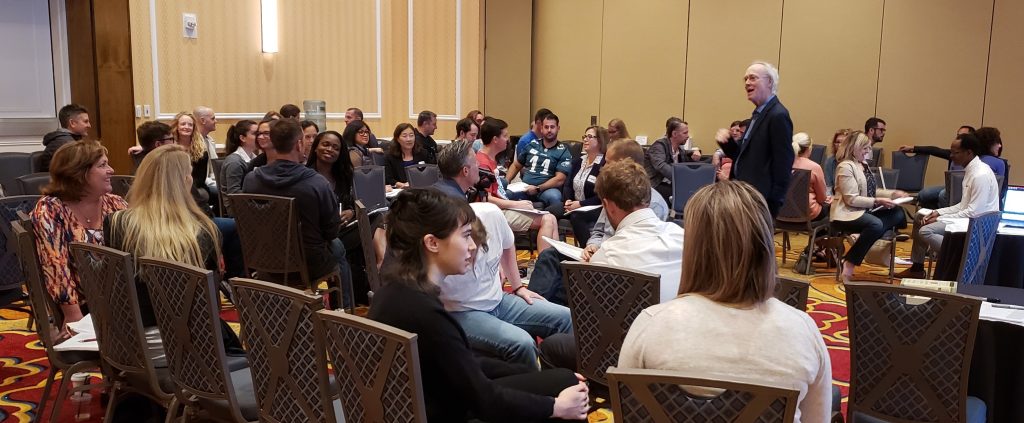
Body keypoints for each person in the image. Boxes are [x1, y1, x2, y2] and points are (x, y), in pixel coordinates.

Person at [617, 180, 832, 423]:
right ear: (764, 246)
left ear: (693, 248)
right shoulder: (803, 330)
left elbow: (629, 414)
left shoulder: (650, 324)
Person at [368, 188, 590, 422]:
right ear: (432, 243)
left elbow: (461, 363)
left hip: (427, 401)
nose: (473, 246)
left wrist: (527, 373)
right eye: (465, 235)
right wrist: (554, 407)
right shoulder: (426, 313)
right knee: (566, 387)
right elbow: (483, 400)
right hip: (445, 410)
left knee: (561, 378)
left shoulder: (395, 292)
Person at [104, 144, 240, 366]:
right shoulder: (204, 230)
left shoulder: (118, 222)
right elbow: (209, 305)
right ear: (186, 181)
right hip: (190, 349)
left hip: (127, 343)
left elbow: (119, 287)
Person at [528, 139, 671, 306]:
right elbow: (598, 231)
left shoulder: (654, 204)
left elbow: (639, 253)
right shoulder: (615, 195)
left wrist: (598, 254)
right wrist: (592, 245)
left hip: (617, 272)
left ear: (624, 165)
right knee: (550, 257)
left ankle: (535, 309)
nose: (602, 167)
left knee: (555, 288)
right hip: (600, 257)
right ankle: (537, 308)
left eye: (608, 163)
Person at [440, 202, 573, 368]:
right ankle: (537, 390)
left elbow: (508, 244)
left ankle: (565, 382)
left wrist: (518, 286)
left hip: (498, 300)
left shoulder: (491, 214)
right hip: (462, 312)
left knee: (567, 318)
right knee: (522, 343)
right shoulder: (439, 237)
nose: (473, 249)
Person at [242, 119, 353, 305]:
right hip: (307, 264)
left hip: (262, 259)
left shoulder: (251, 179)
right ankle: (344, 309)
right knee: (338, 247)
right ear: (299, 144)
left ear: (271, 142)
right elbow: (331, 231)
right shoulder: (317, 183)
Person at [32, 140, 128, 332]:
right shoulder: (51, 209)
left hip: (123, 300)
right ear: (78, 173)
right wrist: (72, 315)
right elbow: (55, 265)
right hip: (84, 305)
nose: (111, 170)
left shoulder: (115, 203)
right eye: (102, 165)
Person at [896, 133, 1000, 279]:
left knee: (926, 231)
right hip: (968, 218)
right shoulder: (971, 169)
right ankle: (917, 268)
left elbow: (973, 213)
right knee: (921, 216)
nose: (951, 156)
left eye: (955, 152)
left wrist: (940, 219)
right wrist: (938, 212)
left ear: (968, 152)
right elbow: (963, 206)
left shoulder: (980, 175)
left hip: (976, 225)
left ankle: (958, 258)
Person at [715, 61, 795, 218]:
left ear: (769, 82)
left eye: (752, 78)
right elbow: (744, 156)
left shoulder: (777, 115)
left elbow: (784, 163)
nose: (747, 83)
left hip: (759, 200)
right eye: (745, 79)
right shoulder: (758, 115)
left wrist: (772, 205)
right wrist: (728, 143)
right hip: (744, 196)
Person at [830, 131, 908, 281]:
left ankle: (862, 236)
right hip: (846, 213)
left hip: (863, 210)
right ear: (854, 148)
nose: (868, 151)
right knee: (876, 224)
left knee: (898, 213)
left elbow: (872, 191)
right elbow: (851, 199)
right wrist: (877, 201)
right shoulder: (846, 166)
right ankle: (850, 261)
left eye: (868, 148)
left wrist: (893, 194)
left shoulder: (863, 165)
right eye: (864, 148)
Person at [476, 118, 559, 252]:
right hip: (494, 213)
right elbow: (485, 198)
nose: (508, 139)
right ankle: (543, 267)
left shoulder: (489, 159)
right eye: (505, 136)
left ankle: (552, 265)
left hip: (501, 207)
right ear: (495, 139)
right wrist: (516, 204)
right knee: (547, 220)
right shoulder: (482, 163)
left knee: (552, 218)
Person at [547, 126, 606, 240]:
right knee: (548, 213)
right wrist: (568, 200)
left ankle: (587, 250)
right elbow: (568, 185)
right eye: (584, 136)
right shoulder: (578, 161)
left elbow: (601, 196)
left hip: (595, 206)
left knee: (576, 217)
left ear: (600, 141)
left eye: (590, 137)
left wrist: (580, 204)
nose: (585, 140)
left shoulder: (604, 164)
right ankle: (557, 245)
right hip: (573, 204)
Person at [506, 113, 573, 208]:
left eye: (552, 127)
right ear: (541, 128)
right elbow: (516, 165)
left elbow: (560, 179)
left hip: (546, 190)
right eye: (546, 127)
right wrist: (506, 181)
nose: (549, 130)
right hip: (525, 187)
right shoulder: (532, 145)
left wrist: (538, 188)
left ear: (558, 128)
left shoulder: (563, 151)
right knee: (506, 194)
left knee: (554, 197)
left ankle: (550, 221)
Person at [644, 117, 702, 203]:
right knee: (686, 193)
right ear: (674, 134)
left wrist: (695, 151)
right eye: (685, 133)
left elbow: (686, 155)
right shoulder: (659, 146)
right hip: (654, 185)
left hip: (671, 183)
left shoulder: (679, 150)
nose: (688, 136)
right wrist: (681, 178)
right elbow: (661, 166)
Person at [305, 130, 356, 220]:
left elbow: (354, 203)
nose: (329, 149)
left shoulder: (345, 176)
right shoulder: (305, 176)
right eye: (325, 144)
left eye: (336, 148)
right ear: (316, 148)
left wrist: (351, 212)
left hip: (343, 228)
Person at [219, 119, 258, 215]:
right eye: (255, 134)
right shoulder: (234, 162)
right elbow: (235, 195)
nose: (259, 137)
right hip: (239, 212)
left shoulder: (255, 158)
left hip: (251, 205)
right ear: (243, 138)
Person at [38, 104, 91, 172]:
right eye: (86, 121)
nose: (89, 125)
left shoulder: (68, 140)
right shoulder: (65, 143)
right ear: (72, 123)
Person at [791, 132, 831, 222]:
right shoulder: (814, 167)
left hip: (783, 212)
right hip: (808, 213)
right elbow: (822, 198)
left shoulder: (783, 164)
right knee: (830, 207)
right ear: (809, 148)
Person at [384, 123, 434, 188]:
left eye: (411, 135)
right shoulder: (389, 156)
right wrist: (401, 185)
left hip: (421, 189)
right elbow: (388, 179)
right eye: (404, 136)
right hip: (400, 192)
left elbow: (432, 173)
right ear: (397, 139)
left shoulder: (423, 153)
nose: (409, 139)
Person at [823, 129, 851, 194]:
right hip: (835, 198)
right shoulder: (830, 161)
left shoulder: (854, 161)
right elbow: (828, 187)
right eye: (837, 142)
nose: (839, 145)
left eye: (843, 142)